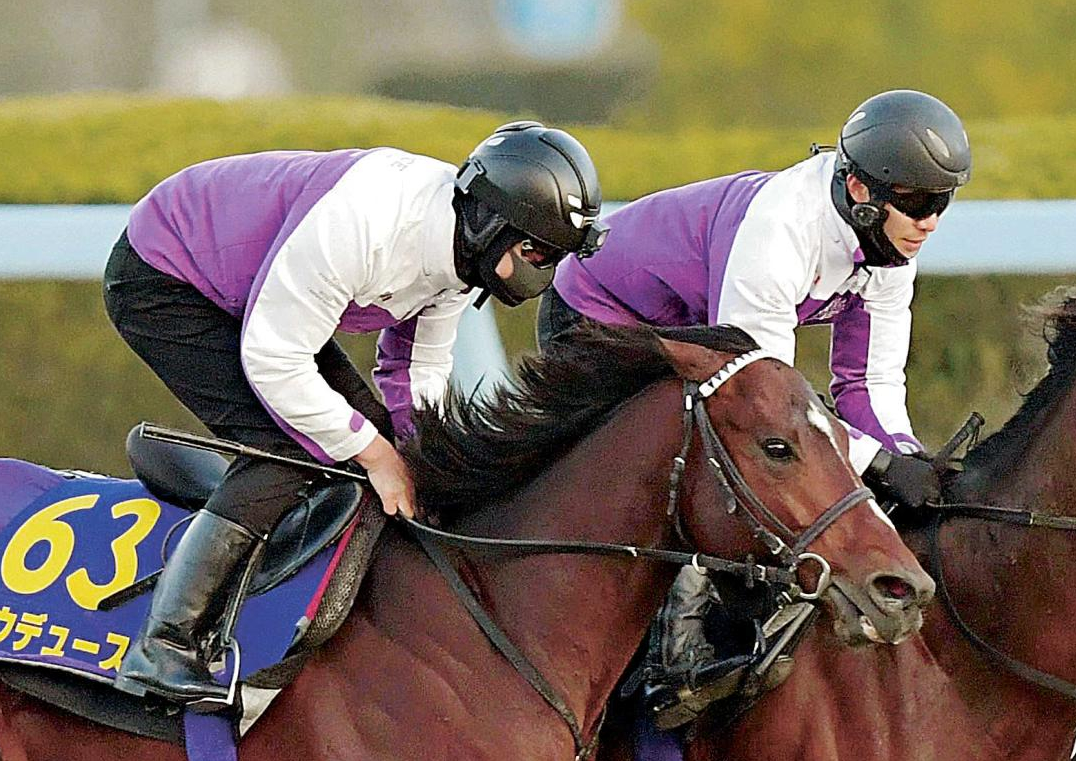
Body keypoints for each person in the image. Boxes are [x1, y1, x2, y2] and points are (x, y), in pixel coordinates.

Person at [104, 123, 603, 709]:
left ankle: (251, 513)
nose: (543, 271)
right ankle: (164, 646)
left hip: (259, 295)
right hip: (168, 276)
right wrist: (374, 454)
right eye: (537, 252)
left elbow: (415, 371)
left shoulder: (459, 254)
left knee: (373, 443)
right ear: (491, 223)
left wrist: (424, 465)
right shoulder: (363, 227)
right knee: (288, 452)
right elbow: (274, 360)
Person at [537, 89, 971, 717]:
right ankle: (666, 656)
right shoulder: (779, 231)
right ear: (858, 190)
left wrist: (904, 461)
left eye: (942, 202)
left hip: (704, 336)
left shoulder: (890, 248)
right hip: (605, 319)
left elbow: (869, 385)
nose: (929, 221)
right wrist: (875, 467)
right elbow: (769, 411)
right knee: (723, 472)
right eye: (915, 202)